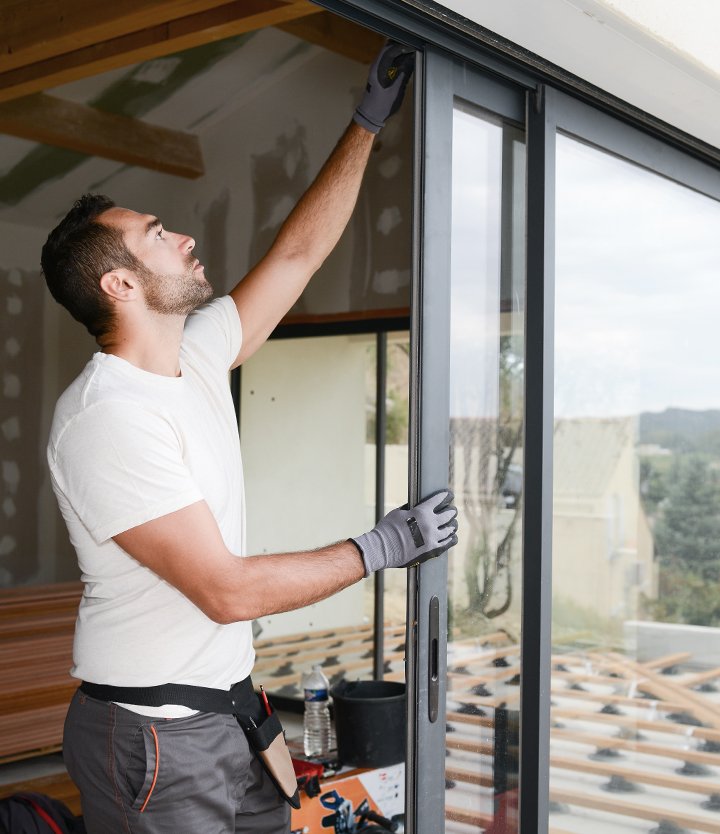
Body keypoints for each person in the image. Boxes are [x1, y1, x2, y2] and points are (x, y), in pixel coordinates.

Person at [40, 43, 457, 833]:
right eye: (158, 234)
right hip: (155, 740)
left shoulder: (194, 351)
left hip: (230, 716)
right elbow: (224, 589)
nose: (185, 238)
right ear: (119, 285)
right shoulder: (108, 417)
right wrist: (381, 547)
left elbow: (298, 255)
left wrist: (366, 125)